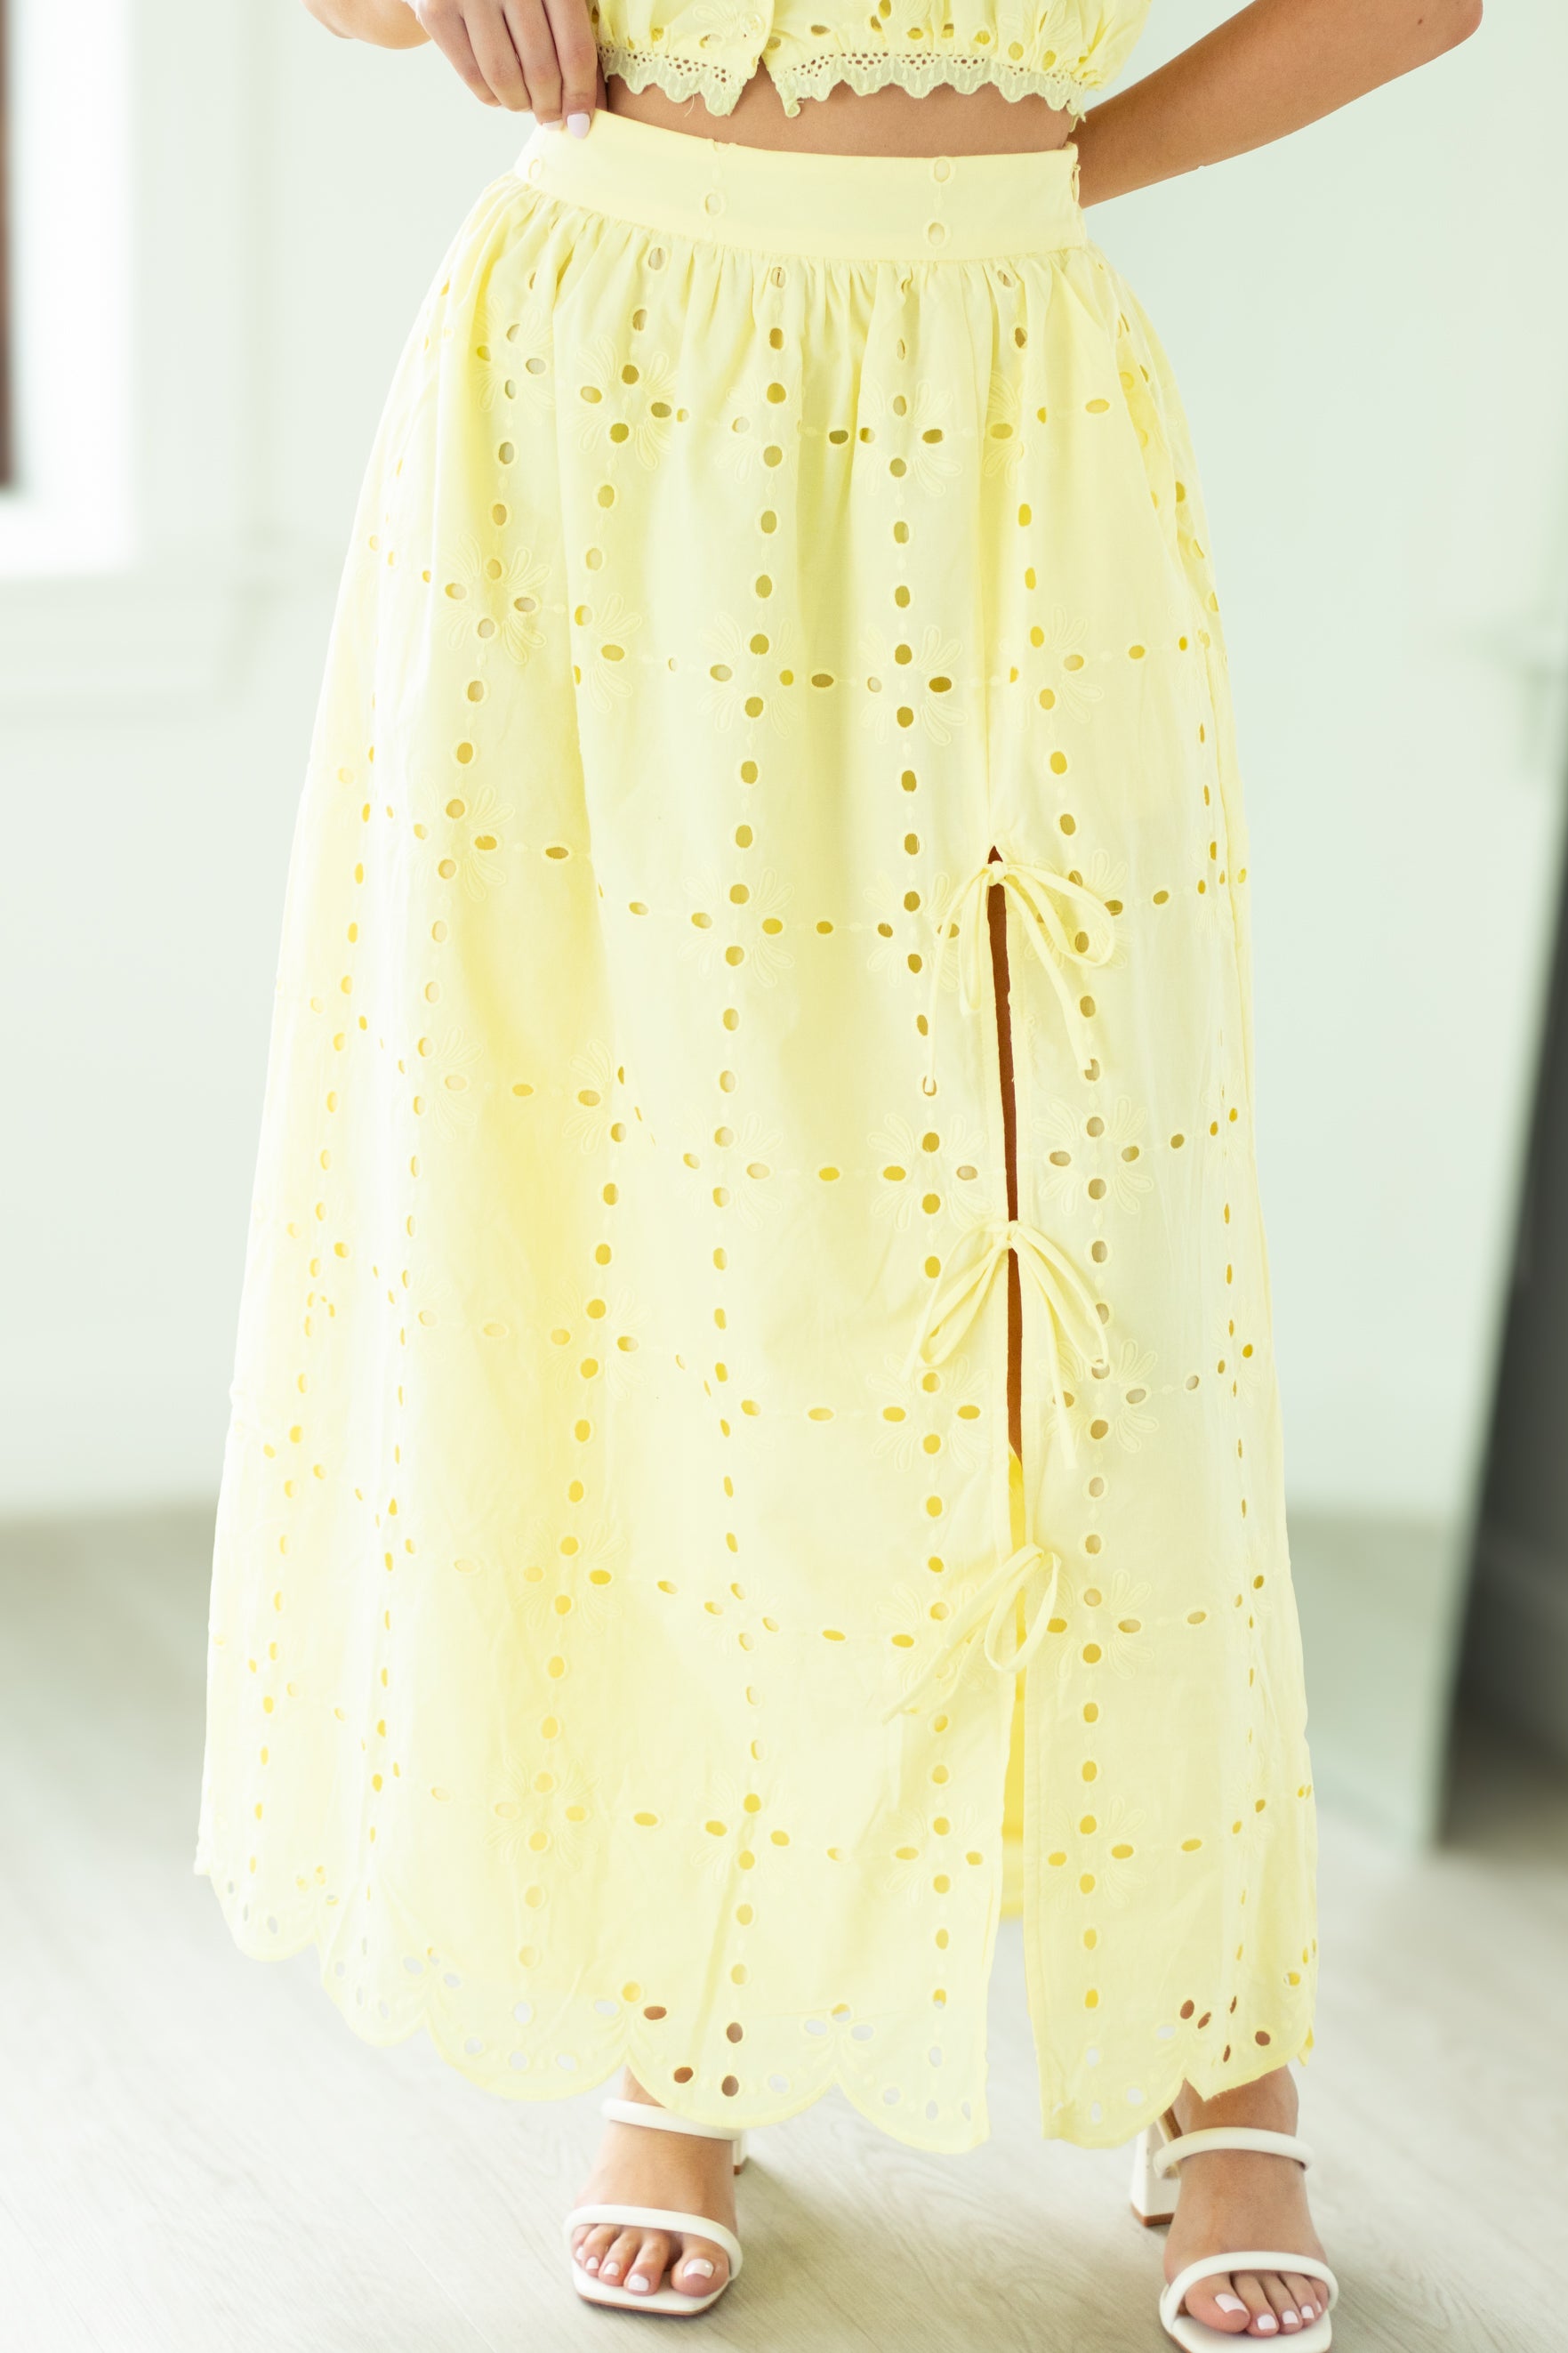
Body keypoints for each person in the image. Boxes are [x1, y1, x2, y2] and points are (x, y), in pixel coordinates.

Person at [197, 1, 1480, 2343]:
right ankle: (687, 2008)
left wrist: (1042, 185)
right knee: (656, 1236)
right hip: (591, 381)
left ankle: (1214, 2047)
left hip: (997, 394)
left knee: (1088, 1229)